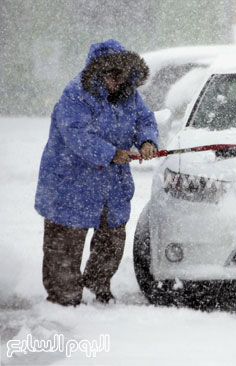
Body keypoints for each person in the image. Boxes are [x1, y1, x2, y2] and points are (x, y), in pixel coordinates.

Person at [34, 39, 159, 306]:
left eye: (121, 74)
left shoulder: (130, 96)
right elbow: (77, 134)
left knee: (111, 240)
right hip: (71, 182)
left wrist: (147, 141)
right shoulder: (75, 95)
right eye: (111, 74)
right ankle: (63, 298)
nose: (117, 80)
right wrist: (111, 153)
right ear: (96, 73)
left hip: (112, 183)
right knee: (65, 244)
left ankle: (97, 285)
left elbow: (145, 120)